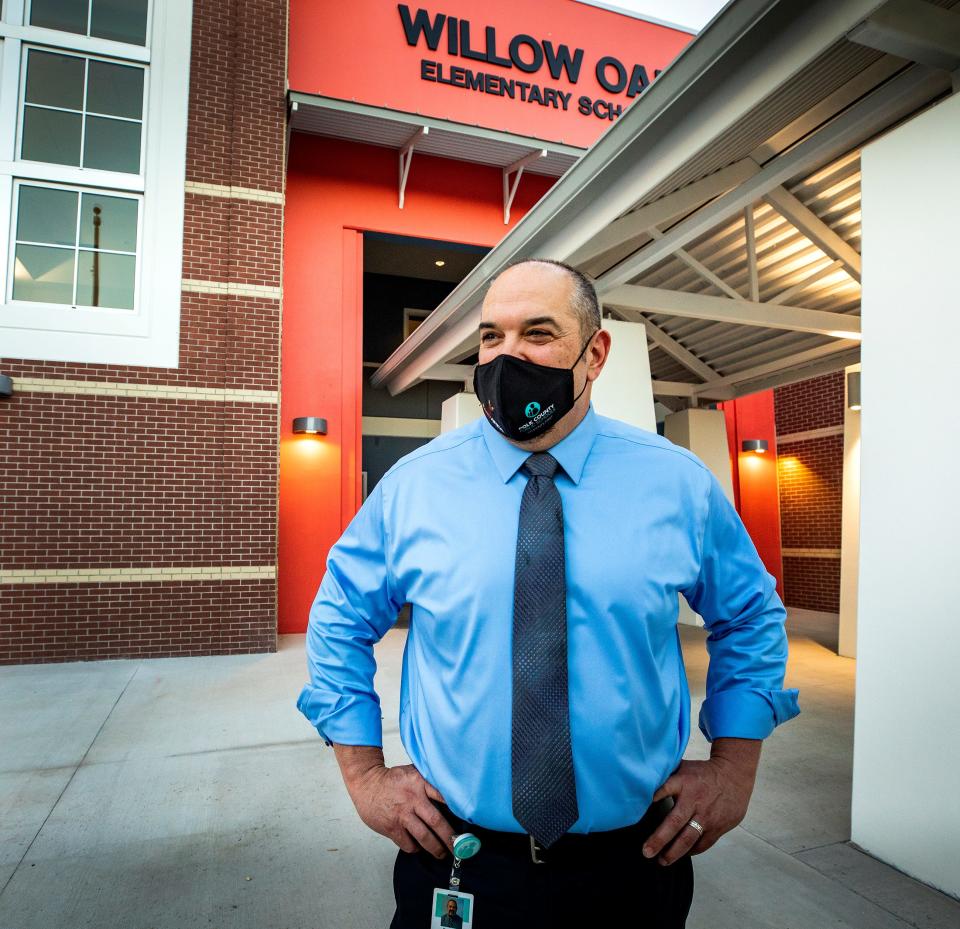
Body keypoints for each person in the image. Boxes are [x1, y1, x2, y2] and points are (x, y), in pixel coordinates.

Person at [296, 258, 800, 928]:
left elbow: (750, 614)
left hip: (633, 865)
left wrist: (735, 766)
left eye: (538, 333)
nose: (507, 356)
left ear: (595, 353)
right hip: (459, 858)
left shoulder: (677, 484)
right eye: (491, 337)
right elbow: (338, 618)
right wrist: (363, 774)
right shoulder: (415, 487)